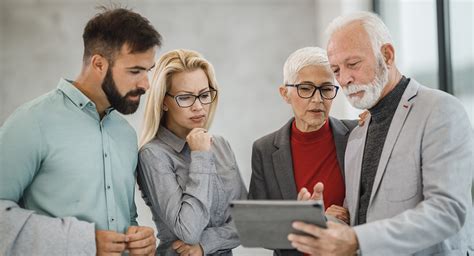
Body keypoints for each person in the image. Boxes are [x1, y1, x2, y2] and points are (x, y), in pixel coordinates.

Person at [288, 11, 473, 256]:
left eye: (353, 64)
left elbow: (446, 212)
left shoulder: (440, 110)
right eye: (336, 70)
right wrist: (322, 222)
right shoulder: (357, 136)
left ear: (387, 55)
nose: (345, 79)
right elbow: (359, 222)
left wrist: (355, 239)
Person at [0, 7, 162, 255]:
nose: (145, 84)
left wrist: (140, 242)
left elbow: (126, 218)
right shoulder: (31, 122)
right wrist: (81, 242)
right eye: (134, 71)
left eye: (147, 71)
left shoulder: (125, 135)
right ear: (98, 63)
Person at [137, 49, 247, 256]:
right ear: (163, 101)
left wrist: (206, 244)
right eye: (185, 98)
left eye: (204, 95)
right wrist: (201, 156)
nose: (198, 107)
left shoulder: (221, 145)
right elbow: (188, 231)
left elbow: (247, 221)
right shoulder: (152, 155)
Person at [248, 47, 357, 256]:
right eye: (306, 89)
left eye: (326, 89)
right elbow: (258, 230)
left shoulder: (358, 134)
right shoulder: (264, 149)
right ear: (285, 94)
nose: (317, 99)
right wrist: (306, 219)